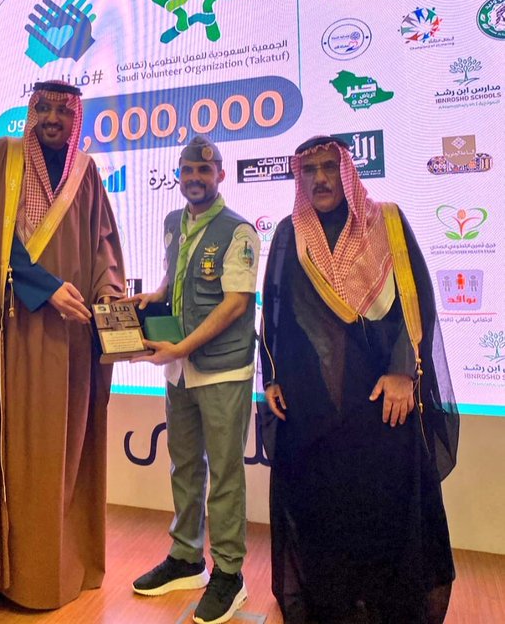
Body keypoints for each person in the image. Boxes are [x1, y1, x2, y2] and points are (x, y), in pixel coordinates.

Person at [0, 81, 125, 624]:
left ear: (76, 118)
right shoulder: (1, 158)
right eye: (44, 108)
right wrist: (45, 286)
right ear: (31, 112)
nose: (53, 118)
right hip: (0, 337)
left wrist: (109, 295)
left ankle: (40, 575)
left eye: (64, 110)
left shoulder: (87, 173)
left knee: (50, 463)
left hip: (66, 345)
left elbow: (103, 247)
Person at [258, 135, 459, 624]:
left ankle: (386, 606)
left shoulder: (386, 222)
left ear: (347, 172)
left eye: (330, 167)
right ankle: (334, 604)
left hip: (379, 399)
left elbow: (416, 301)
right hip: (311, 404)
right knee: (322, 506)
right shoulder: (289, 233)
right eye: (310, 170)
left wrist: (403, 371)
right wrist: (272, 377)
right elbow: (275, 309)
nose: (321, 179)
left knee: (382, 504)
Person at [127, 135, 260, 624]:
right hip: (180, 370)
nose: (196, 179)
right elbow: (178, 277)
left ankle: (229, 573)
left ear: (220, 175)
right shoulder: (172, 223)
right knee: (184, 465)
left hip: (222, 367)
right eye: (188, 171)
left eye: (205, 171)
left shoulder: (239, 231)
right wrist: (154, 295)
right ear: (178, 176)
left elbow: (236, 304)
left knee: (224, 473)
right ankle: (186, 557)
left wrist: (182, 347)